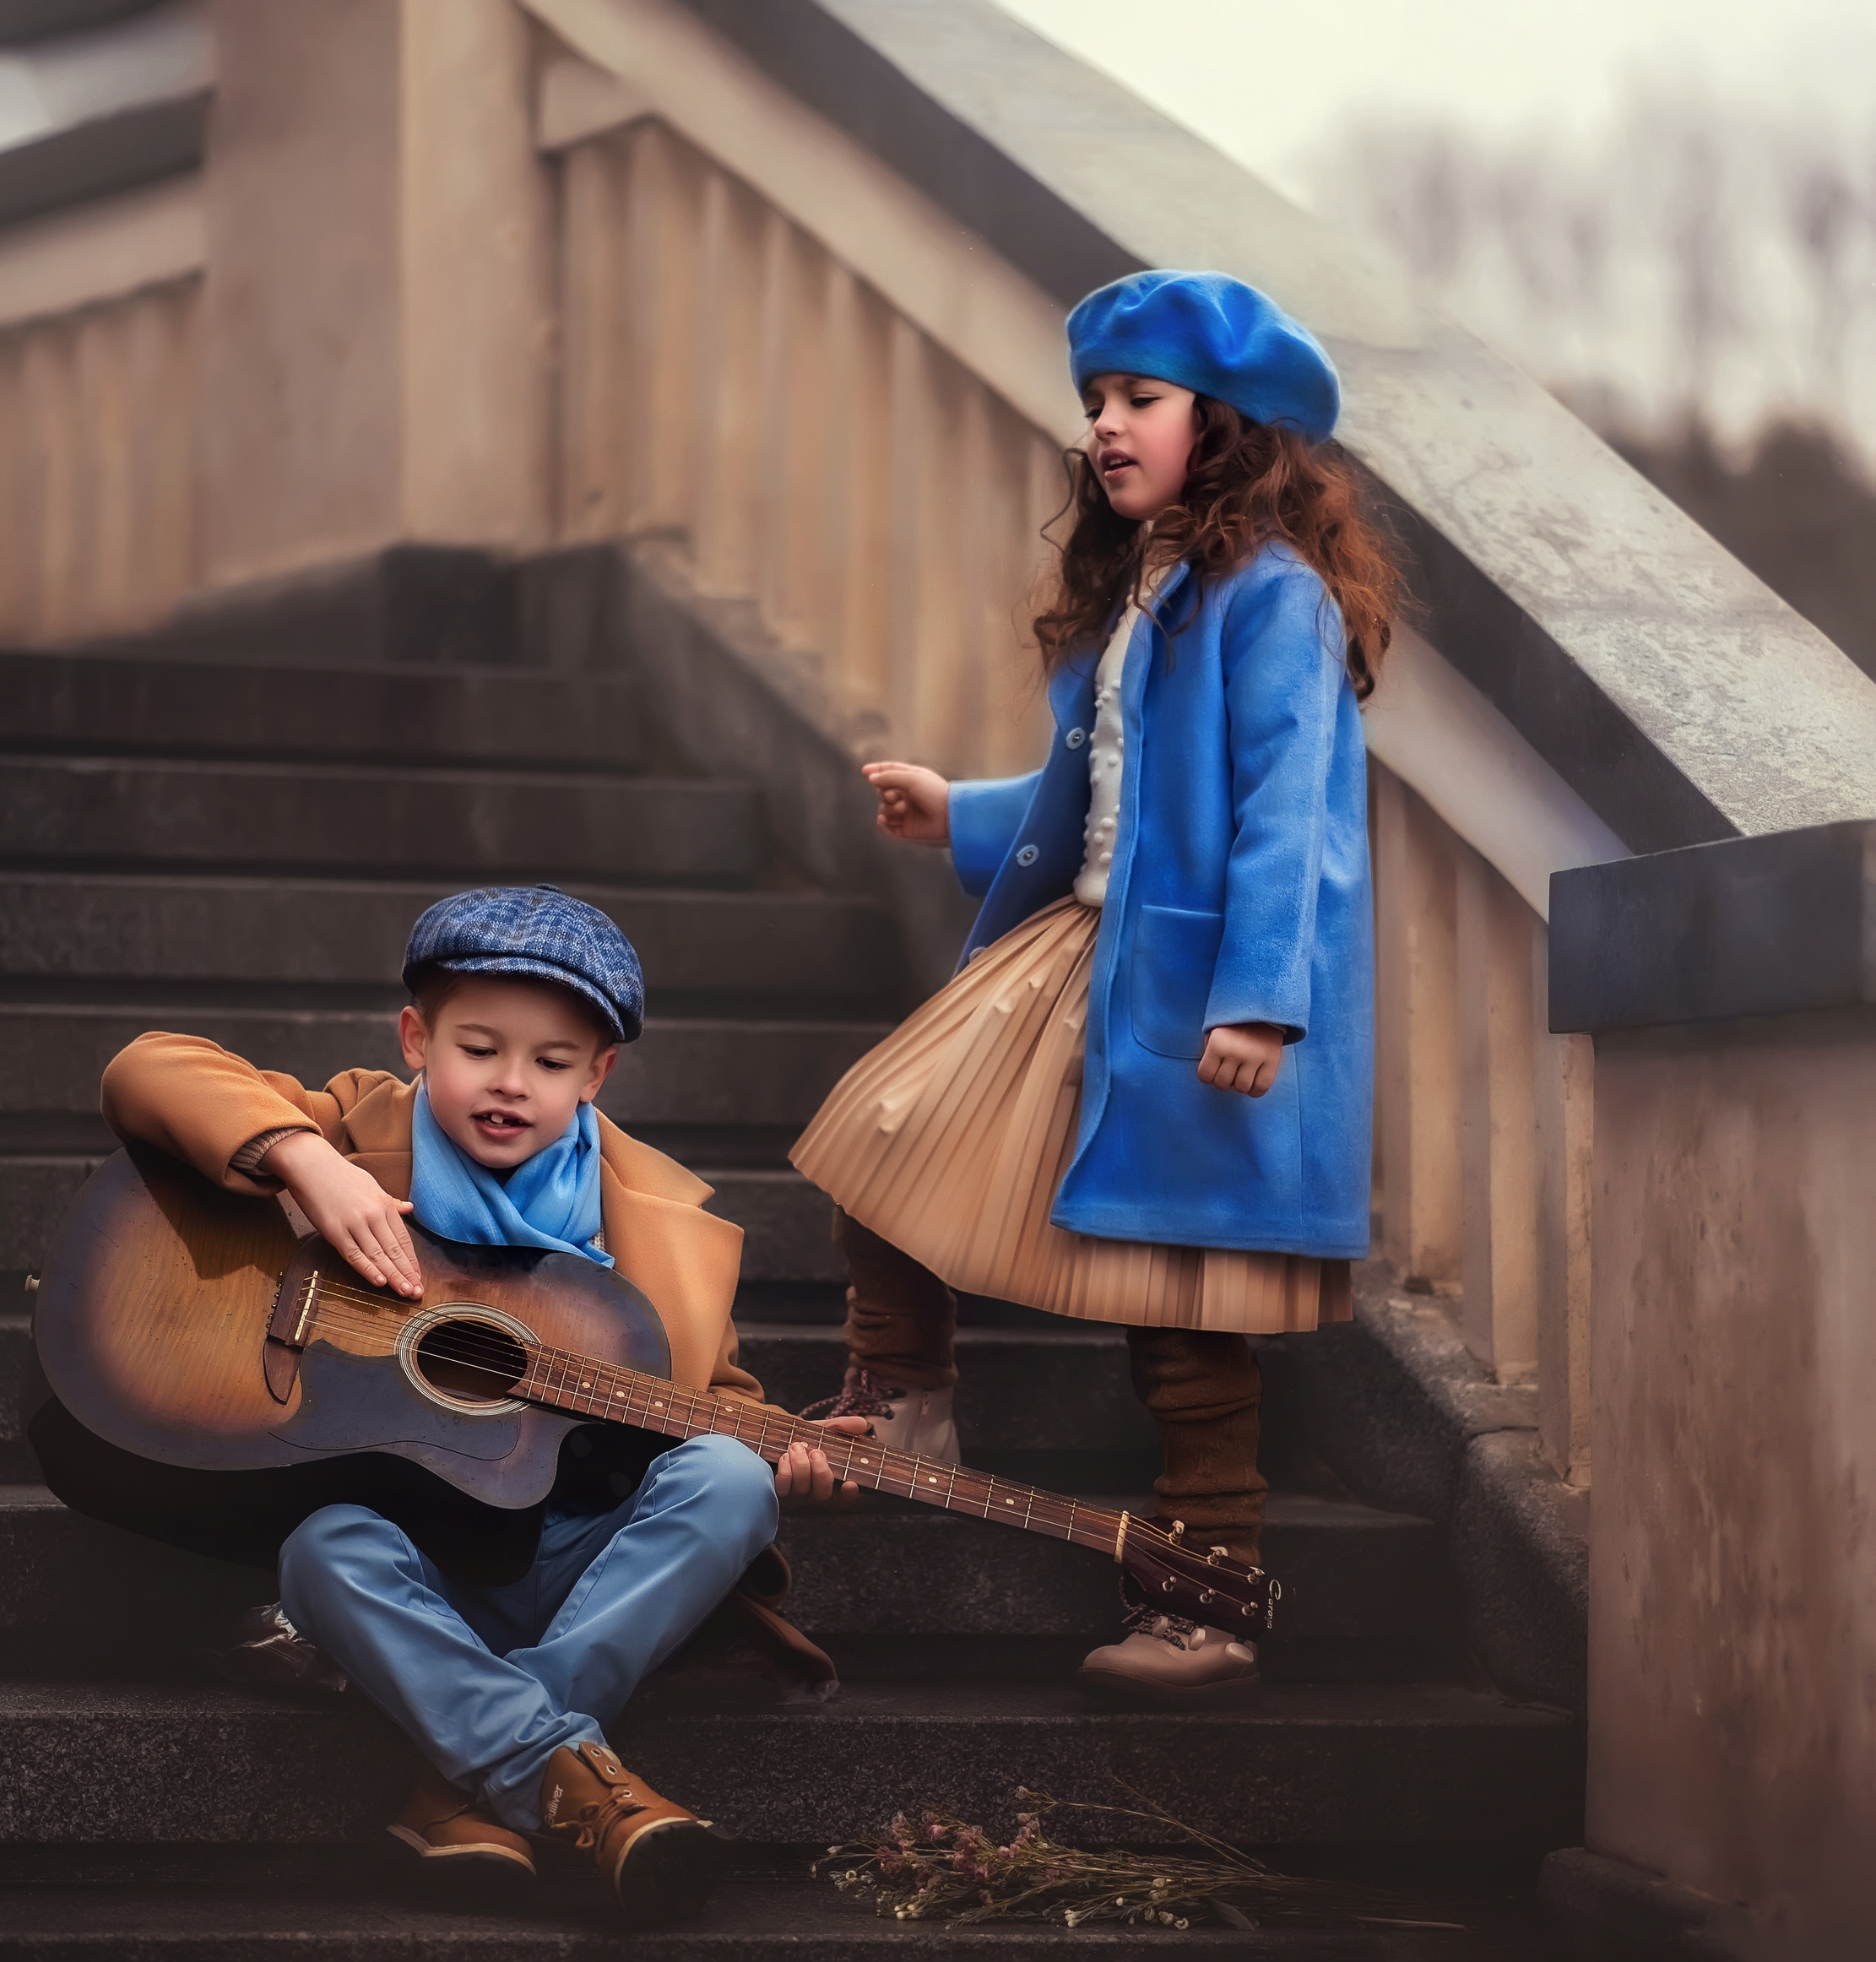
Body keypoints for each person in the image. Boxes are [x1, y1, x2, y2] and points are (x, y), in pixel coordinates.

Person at [792, 269, 1401, 1706]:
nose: (1107, 427)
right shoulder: (1157, 588)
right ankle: (908, 1402)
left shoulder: (1278, 603)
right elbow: (1106, 786)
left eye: (1141, 399)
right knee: (884, 1131)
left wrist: (1257, 998)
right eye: (1096, 404)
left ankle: (1208, 1594)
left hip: (1195, 986)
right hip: (1088, 946)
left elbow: (1288, 818)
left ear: (1229, 423)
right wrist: (962, 809)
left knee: (1183, 1296)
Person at [95, 886, 866, 1921]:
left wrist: (788, 1459)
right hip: (421, 1558)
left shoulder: (655, 1225)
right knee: (326, 1545)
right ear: (417, 1037)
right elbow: (143, 1066)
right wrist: (306, 1159)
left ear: (599, 1072)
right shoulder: (355, 1123)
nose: (511, 1084)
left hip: (574, 1565)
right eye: (478, 1048)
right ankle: (573, 1776)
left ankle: (482, 1775)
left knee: (729, 1474)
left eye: (551, 1063)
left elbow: (714, 1403)